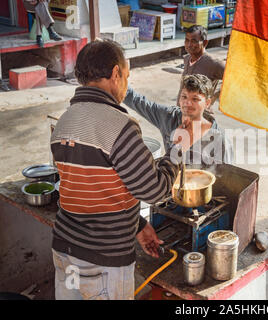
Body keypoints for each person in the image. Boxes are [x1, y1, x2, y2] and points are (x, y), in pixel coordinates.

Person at [50, 39, 181, 300]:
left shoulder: (64, 121)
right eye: (127, 76)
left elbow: (95, 189)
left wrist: (138, 225)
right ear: (115, 73)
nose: (126, 85)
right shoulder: (119, 125)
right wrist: (178, 149)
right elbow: (155, 190)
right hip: (102, 261)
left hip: (65, 252)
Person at [124, 74, 233, 166]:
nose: (187, 103)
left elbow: (226, 176)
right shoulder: (167, 117)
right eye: (184, 96)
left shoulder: (220, 139)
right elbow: (137, 101)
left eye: (195, 99)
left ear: (207, 103)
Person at [176, 25, 225, 109]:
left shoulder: (213, 63)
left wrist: (213, 97)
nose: (189, 44)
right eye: (187, 40)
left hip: (200, 116)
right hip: (182, 112)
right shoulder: (187, 59)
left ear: (205, 43)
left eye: (194, 41)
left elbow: (233, 80)